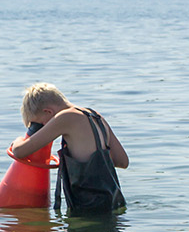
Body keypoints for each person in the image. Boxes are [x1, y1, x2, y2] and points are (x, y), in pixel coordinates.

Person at [8, 83, 128, 215]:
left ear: (48, 112)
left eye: (40, 124)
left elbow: (20, 151)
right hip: (113, 202)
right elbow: (122, 161)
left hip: (89, 210)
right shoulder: (94, 116)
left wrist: (18, 141)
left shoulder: (66, 117)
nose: (43, 129)